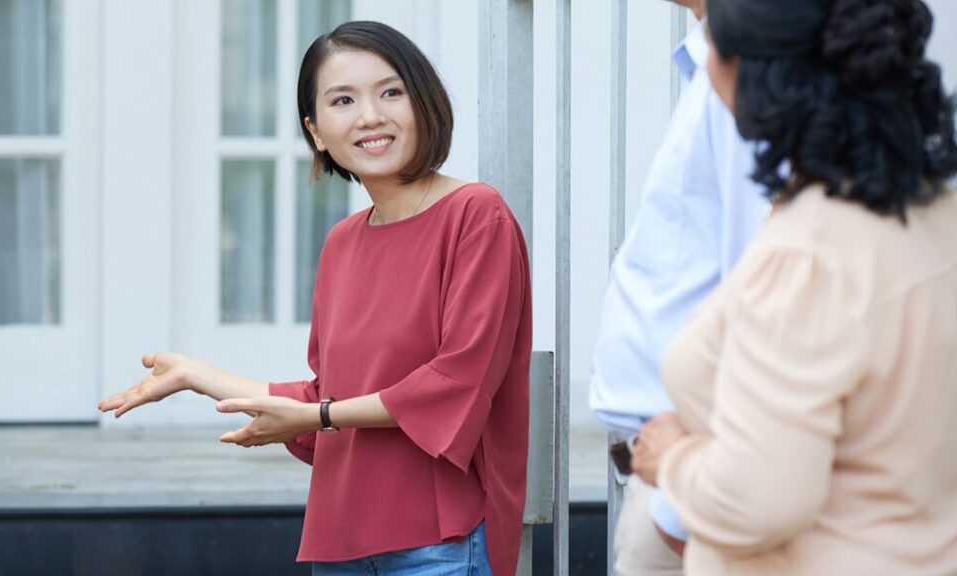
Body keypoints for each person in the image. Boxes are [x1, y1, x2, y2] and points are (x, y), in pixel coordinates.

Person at [99, 20, 531, 576]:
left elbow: (456, 385)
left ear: (426, 104)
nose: (370, 115)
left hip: (441, 542)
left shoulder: (476, 215)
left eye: (391, 92)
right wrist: (195, 375)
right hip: (341, 544)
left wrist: (319, 414)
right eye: (343, 100)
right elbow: (329, 396)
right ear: (317, 131)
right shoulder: (342, 243)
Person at [631, 0, 957, 573]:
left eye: (713, 48)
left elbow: (759, 499)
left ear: (761, 76)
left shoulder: (809, 255)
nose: (705, 66)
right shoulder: (936, 214)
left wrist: (670, 461)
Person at [588, 0, 768, 573]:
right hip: (679, 469)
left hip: (696, 478)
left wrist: (678, 509)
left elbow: (766, 295)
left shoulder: (750, 69)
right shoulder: (712, 64)